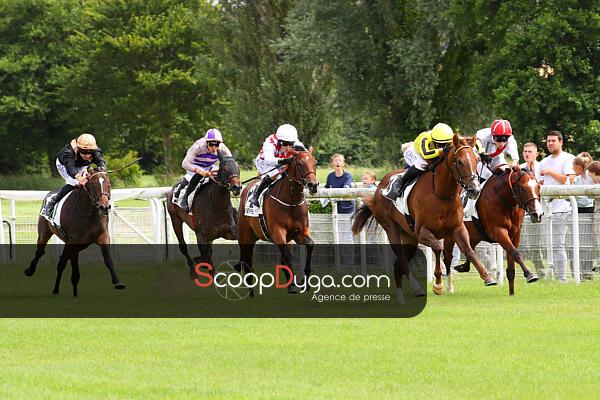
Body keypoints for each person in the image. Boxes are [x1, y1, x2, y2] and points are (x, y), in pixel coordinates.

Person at [537, 130, 576, 282]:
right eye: (548, 141)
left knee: (558, 245)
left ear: (561, 142)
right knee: (548, 245)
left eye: (553, 141)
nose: (550, 143)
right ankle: (550, 276)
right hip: (546, 209)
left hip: (561, 208)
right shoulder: (544, 161)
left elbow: (569, 181)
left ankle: (562, 279)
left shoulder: (568, 158)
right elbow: (541, 183)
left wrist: (550, 172)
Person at [41, 134, 107, 220]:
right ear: (78, 149)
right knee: (74, 182)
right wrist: (79, 177)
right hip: (64, 165)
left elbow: (101, 162)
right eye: (84, 152)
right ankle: (52, 202)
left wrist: (102, 170)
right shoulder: (67, 152)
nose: (87, 155)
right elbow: (71, 169)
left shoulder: (95, 151)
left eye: (90, 152)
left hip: (81, 165)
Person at [249, 124, 305, 208]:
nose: (288, 147)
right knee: (275, 173)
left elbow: (305, 155)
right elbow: (268, 159)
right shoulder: (270, 142)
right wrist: (284, 161)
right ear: (279, 141)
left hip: (281, 162)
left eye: (290, 144)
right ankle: (256, 195)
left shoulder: (296, 142)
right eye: (284, 144)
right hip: (264, 162)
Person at [177, 128, 232, 212]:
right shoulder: (198, 146)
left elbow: (230, 162)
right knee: (199, 175)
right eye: (211, 145)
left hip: (209, 166)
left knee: (222, 175)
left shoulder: (223, 148)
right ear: (206, 142)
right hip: (194, 165)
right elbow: (184, 163)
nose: (214, 148)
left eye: (216, 145)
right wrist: (200, 171)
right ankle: (185, 199)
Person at [398, 122, 455, 197]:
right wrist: (442, 150)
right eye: (440, 144)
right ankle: (400, 183)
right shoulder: (425, 138)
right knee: (422, 165)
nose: (443, 146)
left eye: (446, 144)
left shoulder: (450, 137)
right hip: (416, 153)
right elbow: (426, 155)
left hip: (430, 152)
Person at [519, 142, 546, 277]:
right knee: (533, 245)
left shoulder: (543, 167)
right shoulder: (519, 169)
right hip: (528, 212)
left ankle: (558, 273)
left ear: (536, 154)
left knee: (551, 243)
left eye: (530, 151)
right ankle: (541, 272)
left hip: (545, 209)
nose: (527, 154)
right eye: (525, 151)